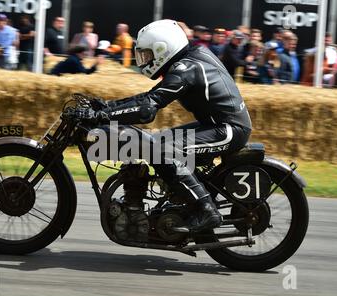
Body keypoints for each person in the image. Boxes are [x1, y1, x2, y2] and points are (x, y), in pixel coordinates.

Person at [91, 20, 252, 232]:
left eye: (147, 55)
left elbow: (147, 109)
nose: (145, 61)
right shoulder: (188, 60)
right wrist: (108, 106)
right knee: (155, 143)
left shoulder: (186, 68)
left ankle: (206, 210)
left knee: (163, 151)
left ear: (162, 49)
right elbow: (148, 98)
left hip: (229, 129)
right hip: (218, 125)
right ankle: (176, 201)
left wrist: (102, 115)